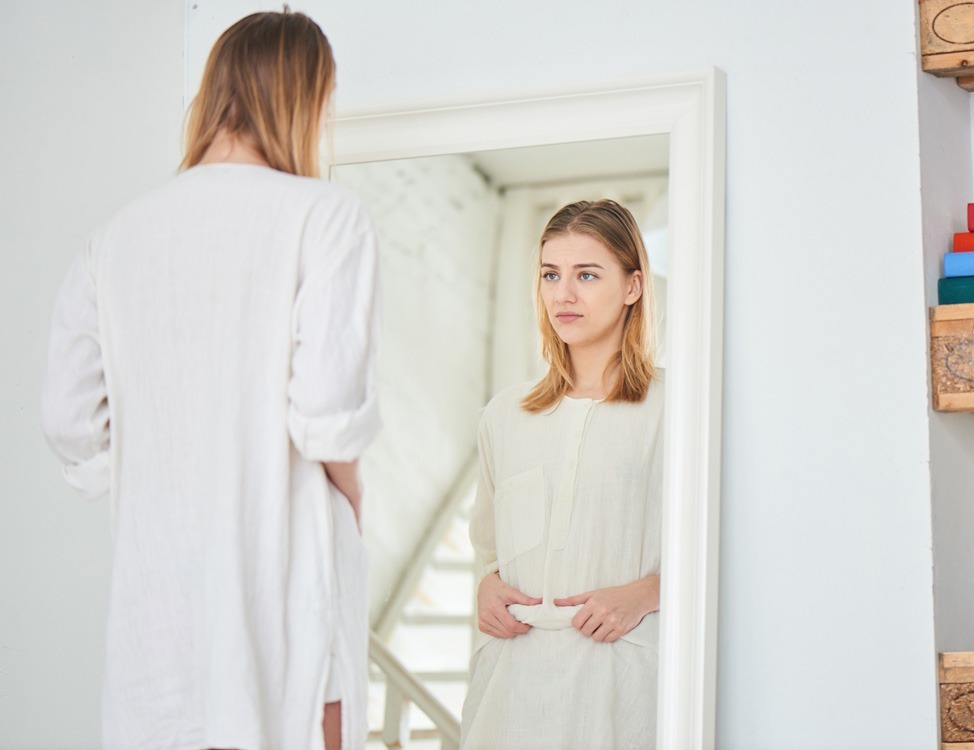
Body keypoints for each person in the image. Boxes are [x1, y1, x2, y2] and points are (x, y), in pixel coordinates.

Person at [40, 11, 379, 750]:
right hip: (284, 585)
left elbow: (66, 418)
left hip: (158, 614)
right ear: (305, 98)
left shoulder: (118, 236)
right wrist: (351, 495)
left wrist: (146, 465)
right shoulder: (325, 217)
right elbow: (325, 410)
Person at [461, 199, 663, 749]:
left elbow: (720, 556)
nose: (563, 294)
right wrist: (486, 586)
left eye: (587, 275)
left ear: (633, 287)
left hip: (620, 687)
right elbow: (489, 548)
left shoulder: (675, 409)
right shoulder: (506, 414)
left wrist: (647, 592)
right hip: (512, 689)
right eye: (551, 274)